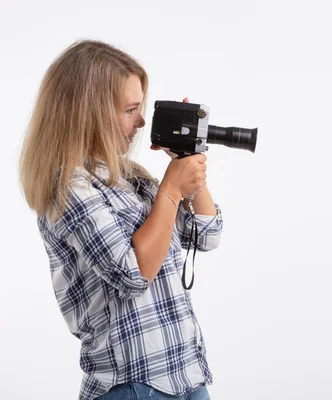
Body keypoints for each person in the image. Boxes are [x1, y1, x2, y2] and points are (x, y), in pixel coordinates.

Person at [19, 40, 221, 400]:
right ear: (89, 113)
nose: (142, 121)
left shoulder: (132, 179)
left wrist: (189, 156)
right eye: (131, 109)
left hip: (185, 375)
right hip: (132, 385)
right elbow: (131, 274)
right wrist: (172, 188)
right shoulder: (67, 186)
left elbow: (206, 233)